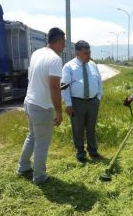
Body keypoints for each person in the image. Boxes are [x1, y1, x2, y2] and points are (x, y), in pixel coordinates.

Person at [17, 27, 65, 184]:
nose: (64, 46)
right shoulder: (55, 59)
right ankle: (39, 176)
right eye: (63, 42)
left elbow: (34, 78)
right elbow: (53, 87)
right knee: (41, 142)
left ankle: (23, 167)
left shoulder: (37, 53)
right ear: (58, 41)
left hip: (29, 102)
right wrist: (59, 112)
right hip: (42, 107)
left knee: (31, 136)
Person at [62, 40, 103, 163]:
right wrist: (68, 104)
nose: (88, 55)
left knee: (91, 127)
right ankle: (80, 152)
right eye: (86, 53)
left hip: (93, 102)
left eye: (89, 52)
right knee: (78, 128)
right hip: (77, 102)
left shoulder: (93, 65)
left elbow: (99, 82)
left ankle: (93, 150)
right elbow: (64, 87)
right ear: (77, 53)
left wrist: (98, 97)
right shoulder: (69, 67)